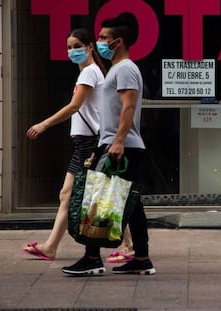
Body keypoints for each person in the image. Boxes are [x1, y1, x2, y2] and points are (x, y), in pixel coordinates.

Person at [62, 15, 155, 275]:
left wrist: (117, 141)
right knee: (131, 204)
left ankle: (92, 258)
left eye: (103, 38)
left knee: (98, 199)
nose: (100, 42)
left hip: (122, 146)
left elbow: (129, 106)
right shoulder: (116, 68)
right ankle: (141, 259)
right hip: (116, 143)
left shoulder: (125, 68)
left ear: (118, 41)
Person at [22, 28, 106, 260]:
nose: (72, 52)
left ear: (90, 47)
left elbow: (73, 106)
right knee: (75, 195)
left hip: (88, 144)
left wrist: (44, 124)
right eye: (69, 48)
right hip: (85, 143)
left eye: (77, 47)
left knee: (75, 195)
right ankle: (51, 246)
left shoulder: (89, 73)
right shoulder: (90, 72)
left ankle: (51, 246)